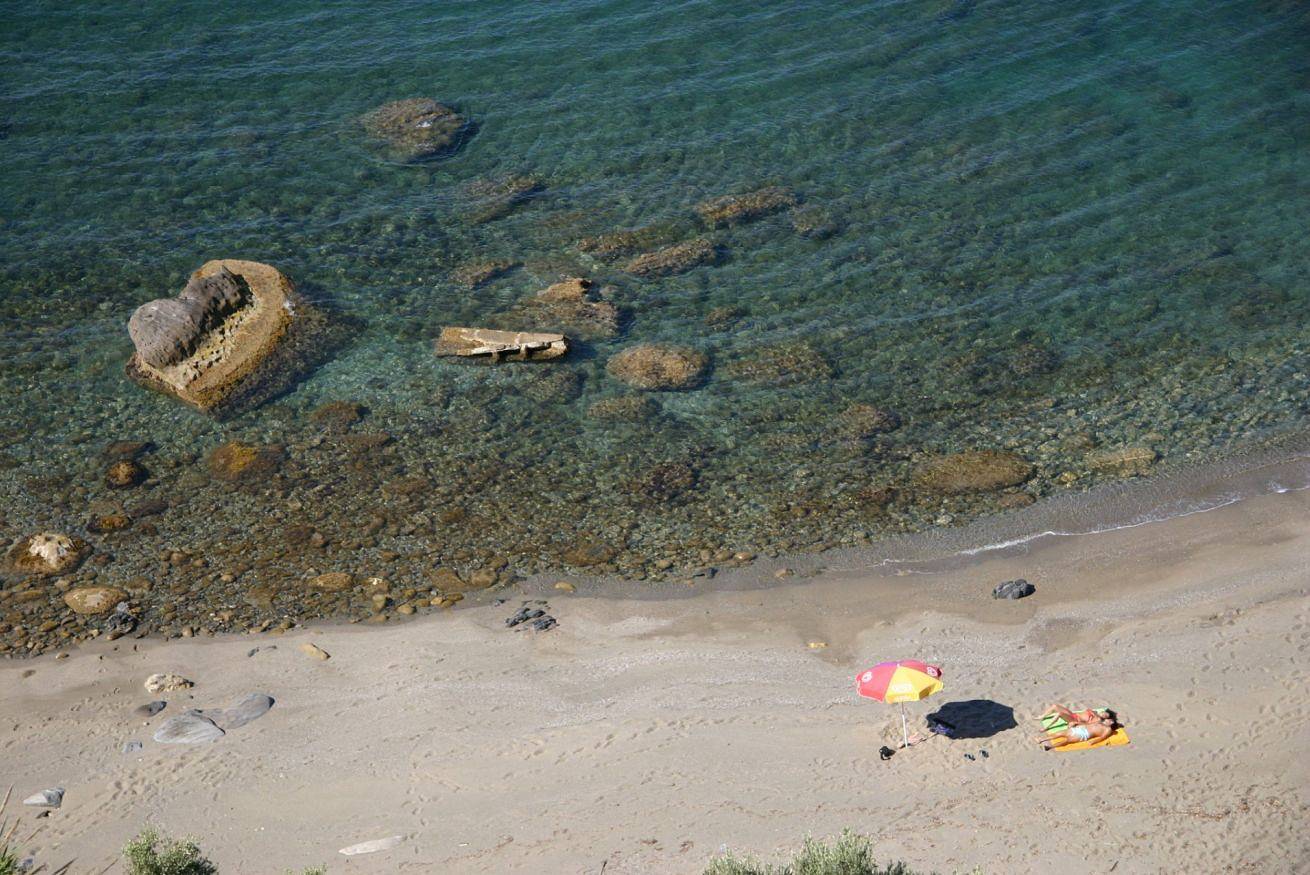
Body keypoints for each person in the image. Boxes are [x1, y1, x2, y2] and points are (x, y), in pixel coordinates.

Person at [1035, 704, 1117, 750]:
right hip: (1075, 718)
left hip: (1081, 729)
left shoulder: (1102, 724)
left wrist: (1094, 742)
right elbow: (1088, 725)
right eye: (1104, 713)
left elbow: (1103, 737)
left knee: (1067, 740)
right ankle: (1041, 738)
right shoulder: (1096, 715)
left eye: (1106, 716)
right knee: (1060, 732)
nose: (1103, 714)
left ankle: (1049, 746)